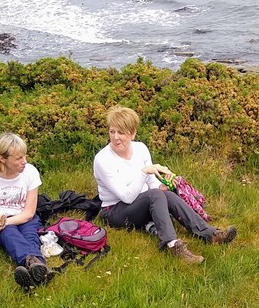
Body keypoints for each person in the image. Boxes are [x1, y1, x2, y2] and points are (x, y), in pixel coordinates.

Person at [94, 106, 237, 265]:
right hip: (115, 211)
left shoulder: (140, 148)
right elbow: (126, 197)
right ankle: (172, 245)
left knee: (165, 194)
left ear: (132, 133)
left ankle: (210, 234)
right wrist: (144, 173)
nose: (115, 138)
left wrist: (166, 186)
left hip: (140, 201)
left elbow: (152, 184)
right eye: (112, 132)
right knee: (154, 195)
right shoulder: (103, 160)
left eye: (121, 132)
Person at [0, 132, 53, 290]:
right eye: (18, 158)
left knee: (30, 236)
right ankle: (38, 267)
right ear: (2, 158)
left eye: (25, 156)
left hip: (25, 217)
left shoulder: (30, 172)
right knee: (10, 235)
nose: (25, 161)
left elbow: (29, 213)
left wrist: (1, 224)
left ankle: (31, 268)